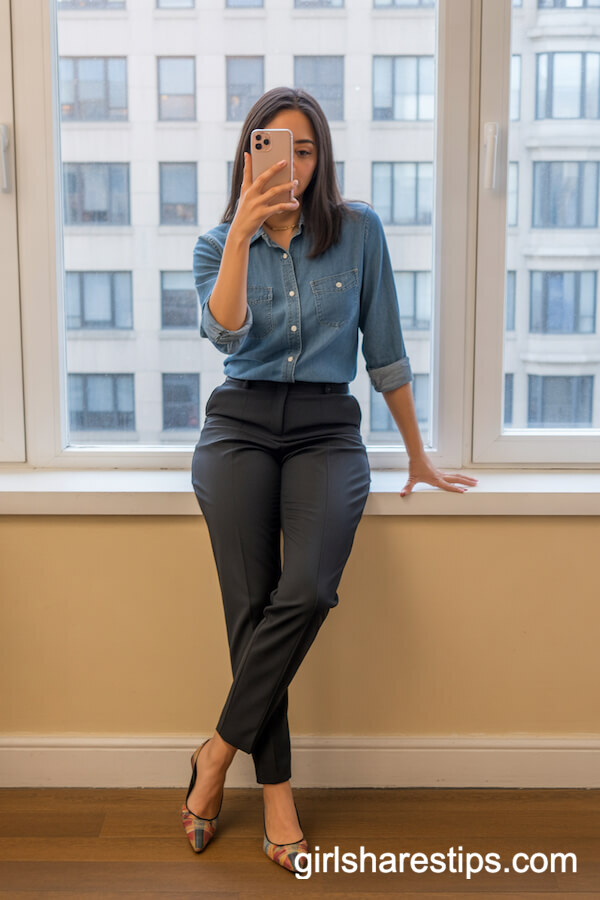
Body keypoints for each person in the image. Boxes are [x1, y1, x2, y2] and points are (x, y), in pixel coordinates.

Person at [182, 86, 478, 874]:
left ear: (322, 160)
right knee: (251, 605)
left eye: (305, 149)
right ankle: (276, 794)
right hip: (238, 425)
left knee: (307, 588)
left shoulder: (358, 232)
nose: (292, 163)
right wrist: (244, 230)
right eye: (274, 147)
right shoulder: (217, 242)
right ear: (249, 155)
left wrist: (416, 453)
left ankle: (214, 753)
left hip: (325, 429)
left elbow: (384, 348)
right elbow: (227, 331)